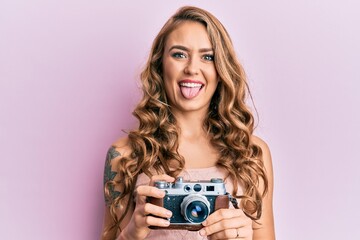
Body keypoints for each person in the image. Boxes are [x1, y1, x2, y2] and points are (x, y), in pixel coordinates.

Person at [102, 6, 275, 240]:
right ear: (160, 64)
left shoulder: (252, 153)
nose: (192, 68)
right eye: (179, 54)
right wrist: (133, 232)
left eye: (208, 57)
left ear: (221, 69)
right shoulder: (125, 155)